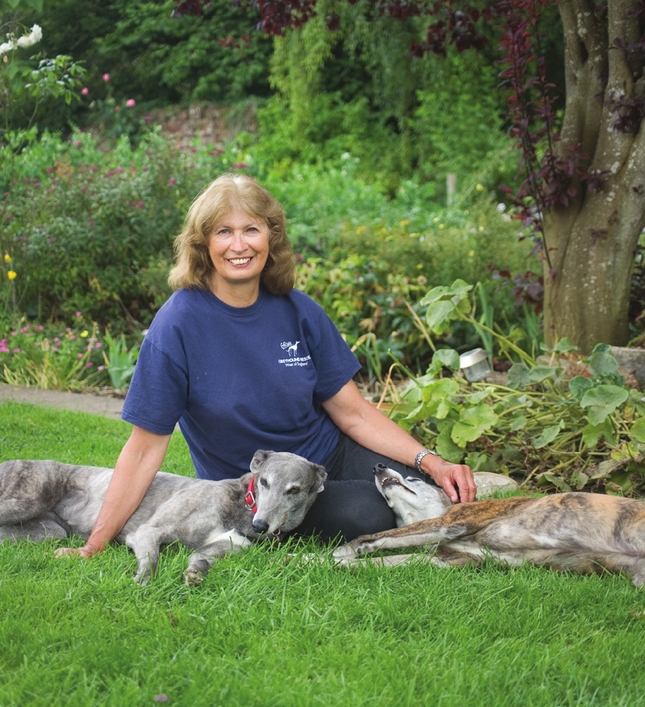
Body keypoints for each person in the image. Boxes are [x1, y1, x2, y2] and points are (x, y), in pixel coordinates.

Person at [57, 174, 474, 559]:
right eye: (224, 232)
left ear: (270, 239)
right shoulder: (177, 325)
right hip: (257, 488)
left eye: (251, 230)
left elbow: (354, 413)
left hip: (328, 454)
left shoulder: (298, 310)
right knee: (368, 512)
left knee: (428, 493)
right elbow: (145, 447)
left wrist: (431, 461)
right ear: (203, 244)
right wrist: (95, 543)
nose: (239, 245)